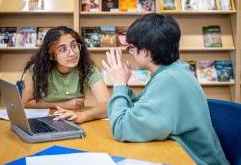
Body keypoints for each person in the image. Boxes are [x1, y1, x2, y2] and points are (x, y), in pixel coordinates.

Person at [101, 14, 229, 165]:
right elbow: (140, 108)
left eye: (131, 48)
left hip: (193, 161)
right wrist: (124, 85)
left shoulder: (168, 81)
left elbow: (121, 128)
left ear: (146, 52)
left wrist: (119, 84)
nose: (131, 52)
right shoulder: (174, 70)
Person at [22, 26, 110, 123]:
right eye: (62, 49)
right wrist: (64, 104)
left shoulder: (88, 69)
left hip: (75, 120)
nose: (72, 53)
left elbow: (108, 105)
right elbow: (27, 102)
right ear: (51, 55)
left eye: (73, 45)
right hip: (44, 120)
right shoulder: (36, 69)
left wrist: (83, 115)